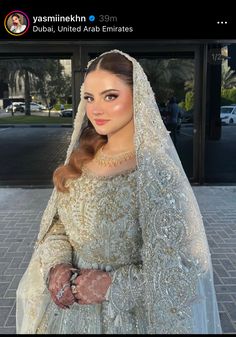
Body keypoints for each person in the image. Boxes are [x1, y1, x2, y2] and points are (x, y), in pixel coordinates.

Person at [16, 50, 222, 334]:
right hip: (68, 314)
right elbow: (57, 226)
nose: (96, 109)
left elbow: (180, 272)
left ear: (137, 97)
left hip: (128, 319)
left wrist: (111, 285)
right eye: (89, 98)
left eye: (110, 96)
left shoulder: (157, 175)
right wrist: (57, 265)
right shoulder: (81, 158)